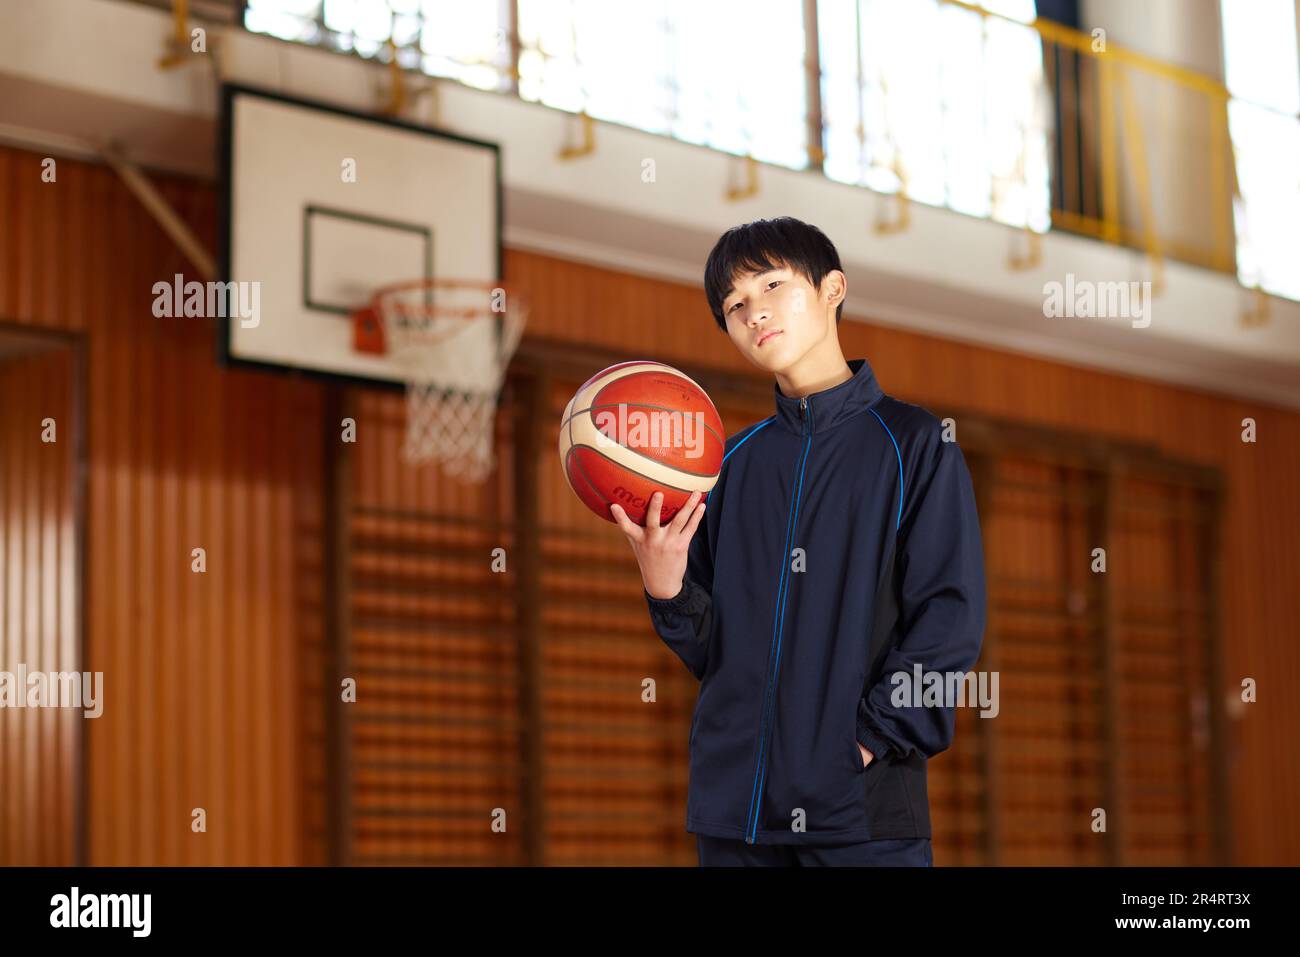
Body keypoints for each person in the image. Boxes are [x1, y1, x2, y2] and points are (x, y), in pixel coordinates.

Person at [609, 216, 987, 867]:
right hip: (735, 819)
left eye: (772, 285)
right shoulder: (728, 465)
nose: (754, 312)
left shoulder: (916, 444)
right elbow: (714, 650)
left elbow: (948, 619)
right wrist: (665, 583)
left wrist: (863, 741)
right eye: (734, 305)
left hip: (859, 816)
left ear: (833, 288)